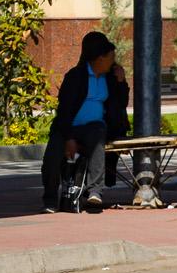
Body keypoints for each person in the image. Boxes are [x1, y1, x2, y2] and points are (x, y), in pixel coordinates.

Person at [40, 32, 129, 213]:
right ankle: (49, 200)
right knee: (52, 156)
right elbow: (64, 111)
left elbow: (121, 104)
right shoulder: (76, 76)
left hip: (93, 128)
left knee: (99, 131)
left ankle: (95, 191)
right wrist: (70, 137)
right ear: (99, 58)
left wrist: (121, 82)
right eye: (111, 57)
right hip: (67, 127)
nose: (114, 61)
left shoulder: (110, 77)